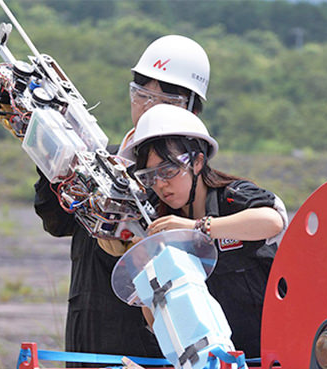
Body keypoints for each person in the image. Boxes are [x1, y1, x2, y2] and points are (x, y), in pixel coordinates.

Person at [33, 35, 211, 366]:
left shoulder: (192, 181)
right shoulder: (98, 161)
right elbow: (56, 221)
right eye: (141, 95)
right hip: (88, 333)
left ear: (193, 110)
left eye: (165, 101)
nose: (148, 108)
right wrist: (53, 163)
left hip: (150, 347)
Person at [120, 104, 288, 358]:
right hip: (212, 358)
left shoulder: (231, 196)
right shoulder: (160, 222)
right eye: (150, 176)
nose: (161, 184)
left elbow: (271, 220)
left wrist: (198, 227)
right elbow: (158, 321)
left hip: (271, 352)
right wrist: (145, 267)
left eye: (168, 171)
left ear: (197, 162)